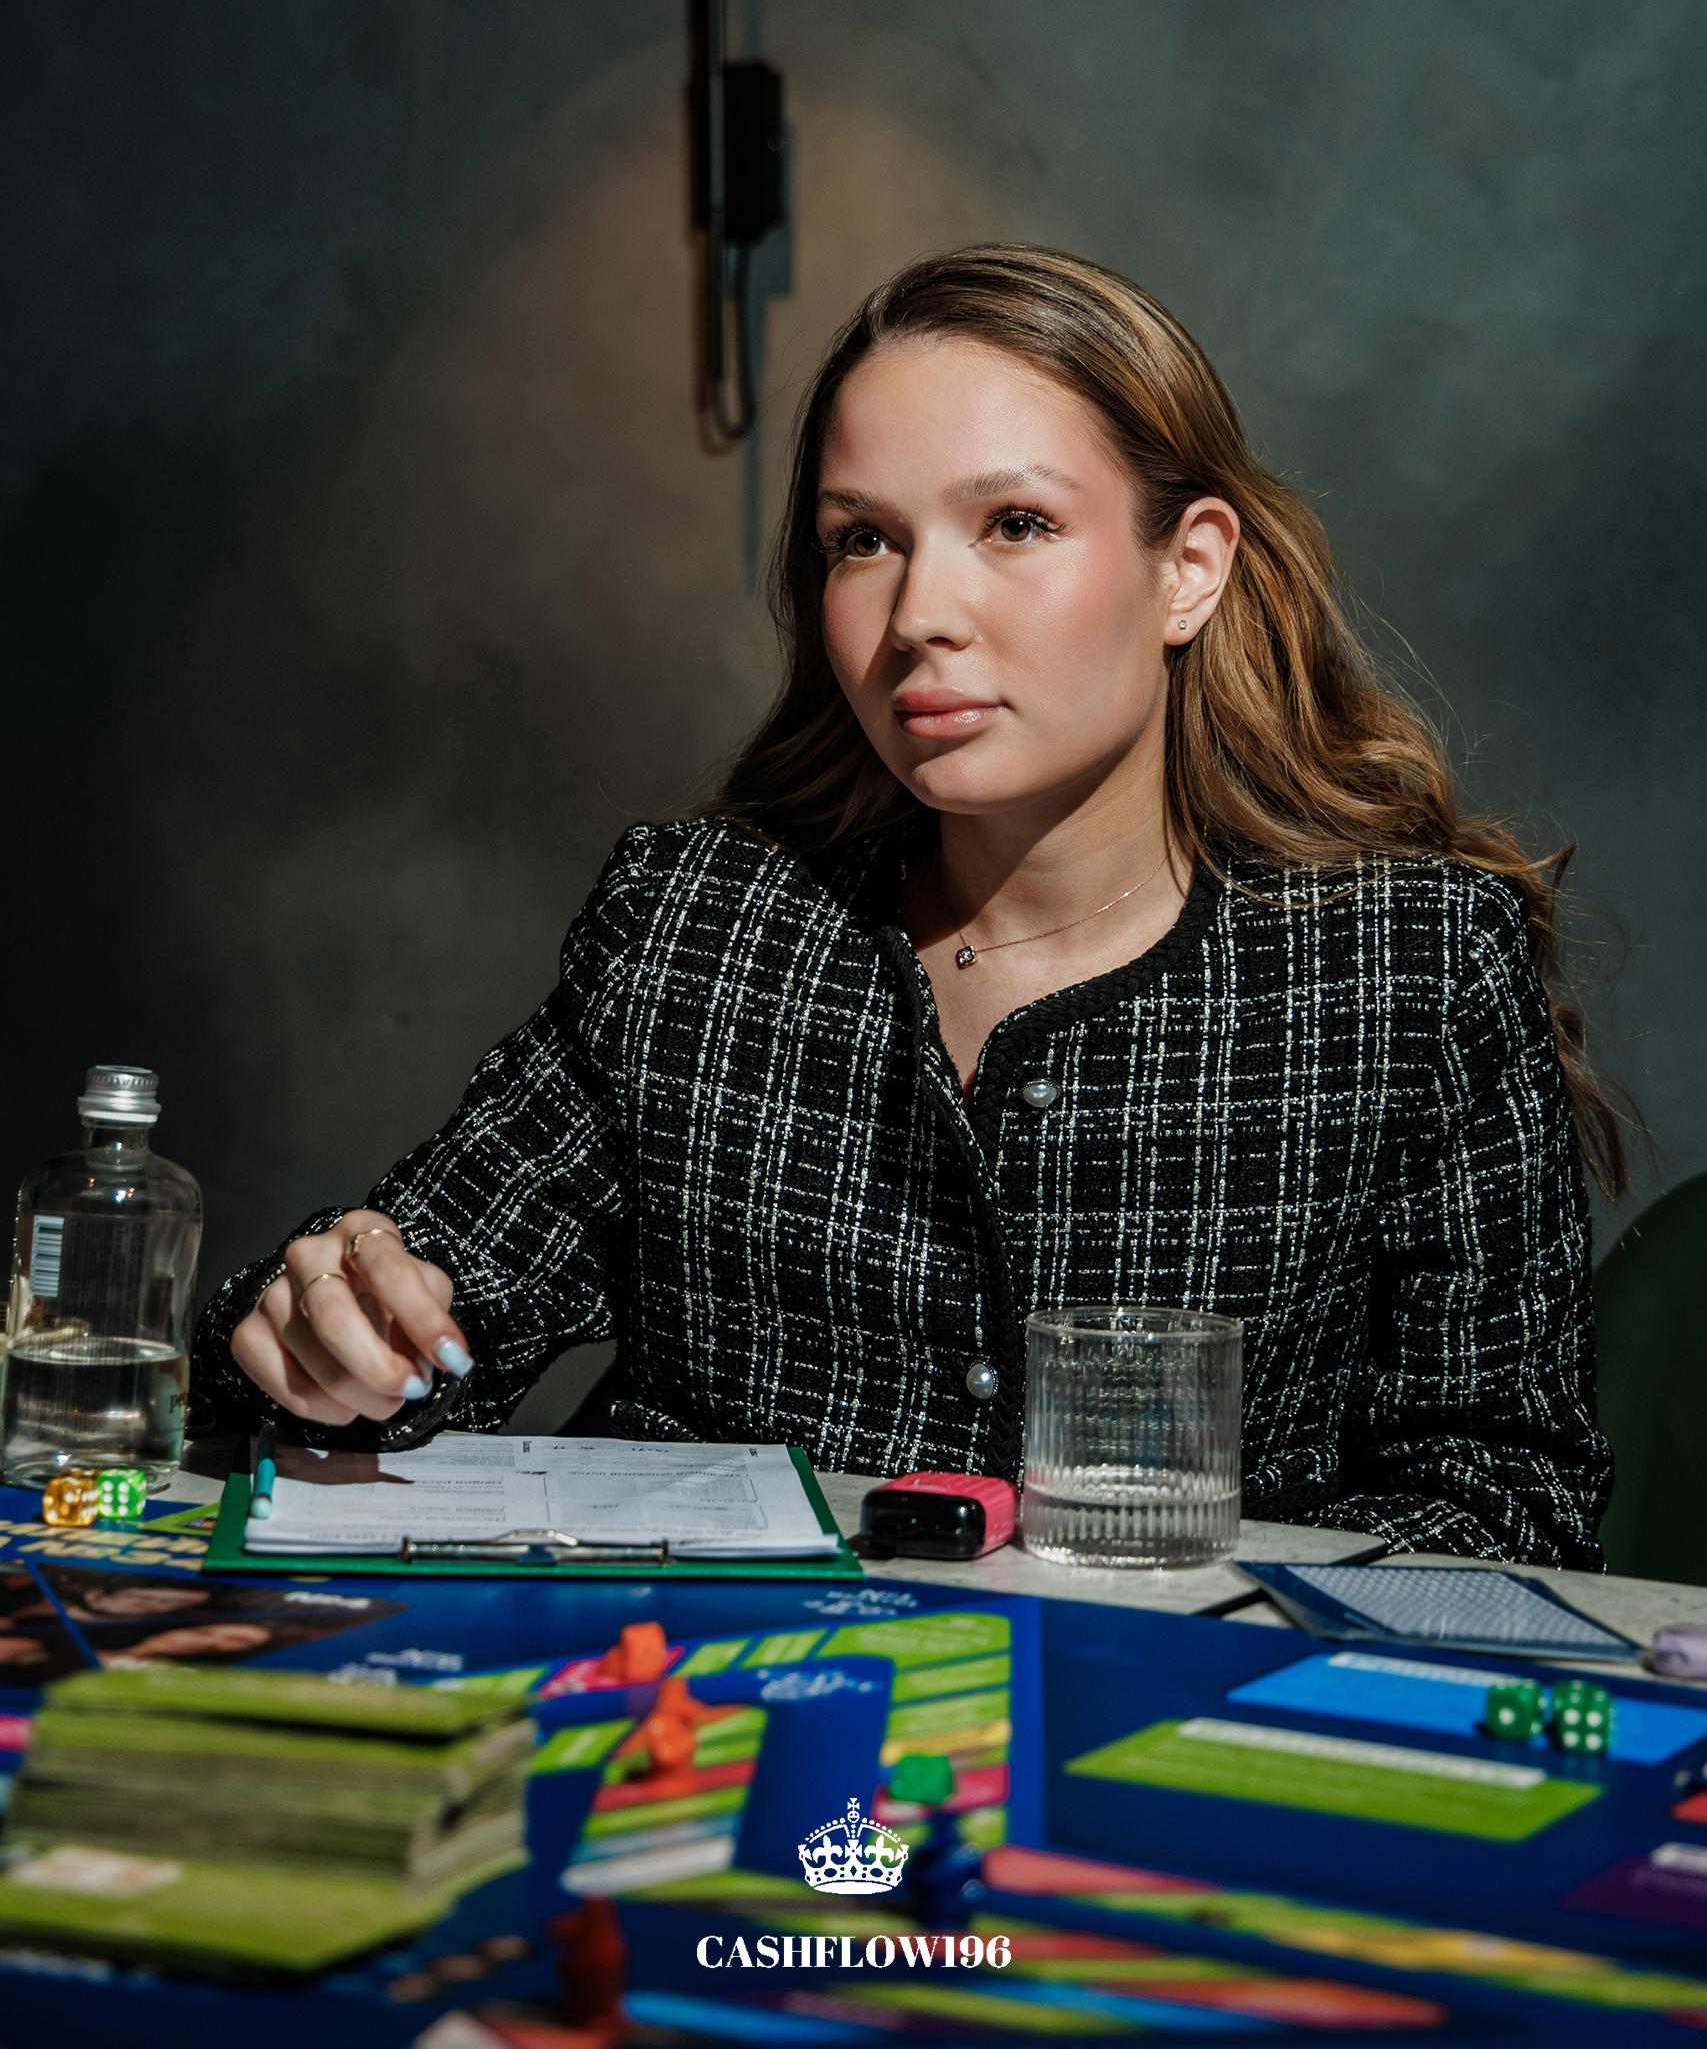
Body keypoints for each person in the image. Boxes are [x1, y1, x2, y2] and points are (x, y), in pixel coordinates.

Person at [191, 245, 1628, 1566]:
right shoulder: (700, 928)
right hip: (710, 1702)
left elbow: (1505, 1490)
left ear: (1187, 568)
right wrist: (324, 1341)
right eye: (862, 540)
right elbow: (382, 1338)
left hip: (1161, 1722)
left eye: (1016, 523)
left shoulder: (1409, 966)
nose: (921, 612)